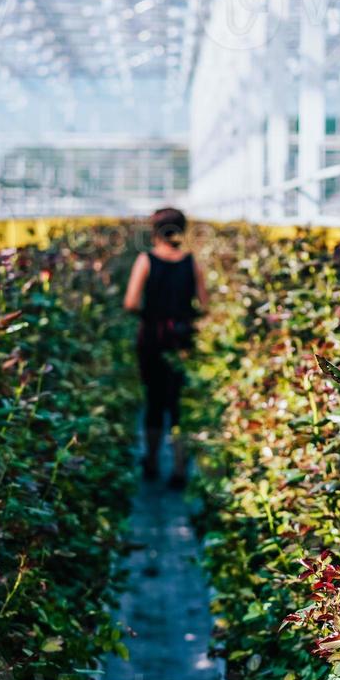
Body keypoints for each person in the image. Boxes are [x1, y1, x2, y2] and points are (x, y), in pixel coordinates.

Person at [123, 207, 208, 487]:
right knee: (178, 402)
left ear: (154, 230)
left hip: (152, 338)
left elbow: (131, 303)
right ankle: (181, 467)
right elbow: (204, 304)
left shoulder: (146, 260)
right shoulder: (190, 262)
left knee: (154, 399)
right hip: (182, 340)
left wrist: (152, 313)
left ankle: (151, 460)